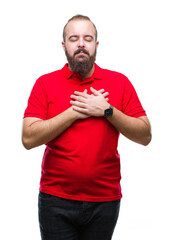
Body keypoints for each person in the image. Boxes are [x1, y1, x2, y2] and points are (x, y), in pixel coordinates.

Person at [22, 14, 152, 240]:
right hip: (56, 200)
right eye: (74, 38)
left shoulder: (119, 82)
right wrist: (74, 112)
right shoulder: (45, 83)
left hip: (105, 200)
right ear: (64, 45)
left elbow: (145, 135)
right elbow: (28, 139)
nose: (81, 44)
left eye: (87, 38)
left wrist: (107, 110)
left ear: (96, 45)